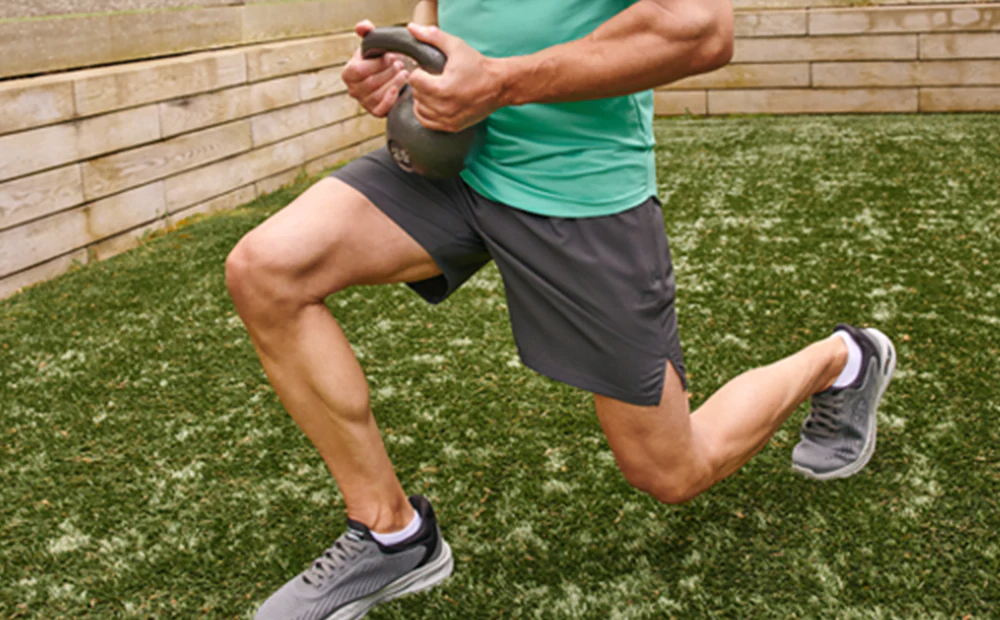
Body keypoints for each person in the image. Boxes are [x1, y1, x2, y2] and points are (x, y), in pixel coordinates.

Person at [224, 0, 897, 617]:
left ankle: (843, 360)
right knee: (267, 271)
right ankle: (392, 535)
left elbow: (698, 28)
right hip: (455, 164)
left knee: (670, 470)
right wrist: (408, 58)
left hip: (580, 193)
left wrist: (502, 82)